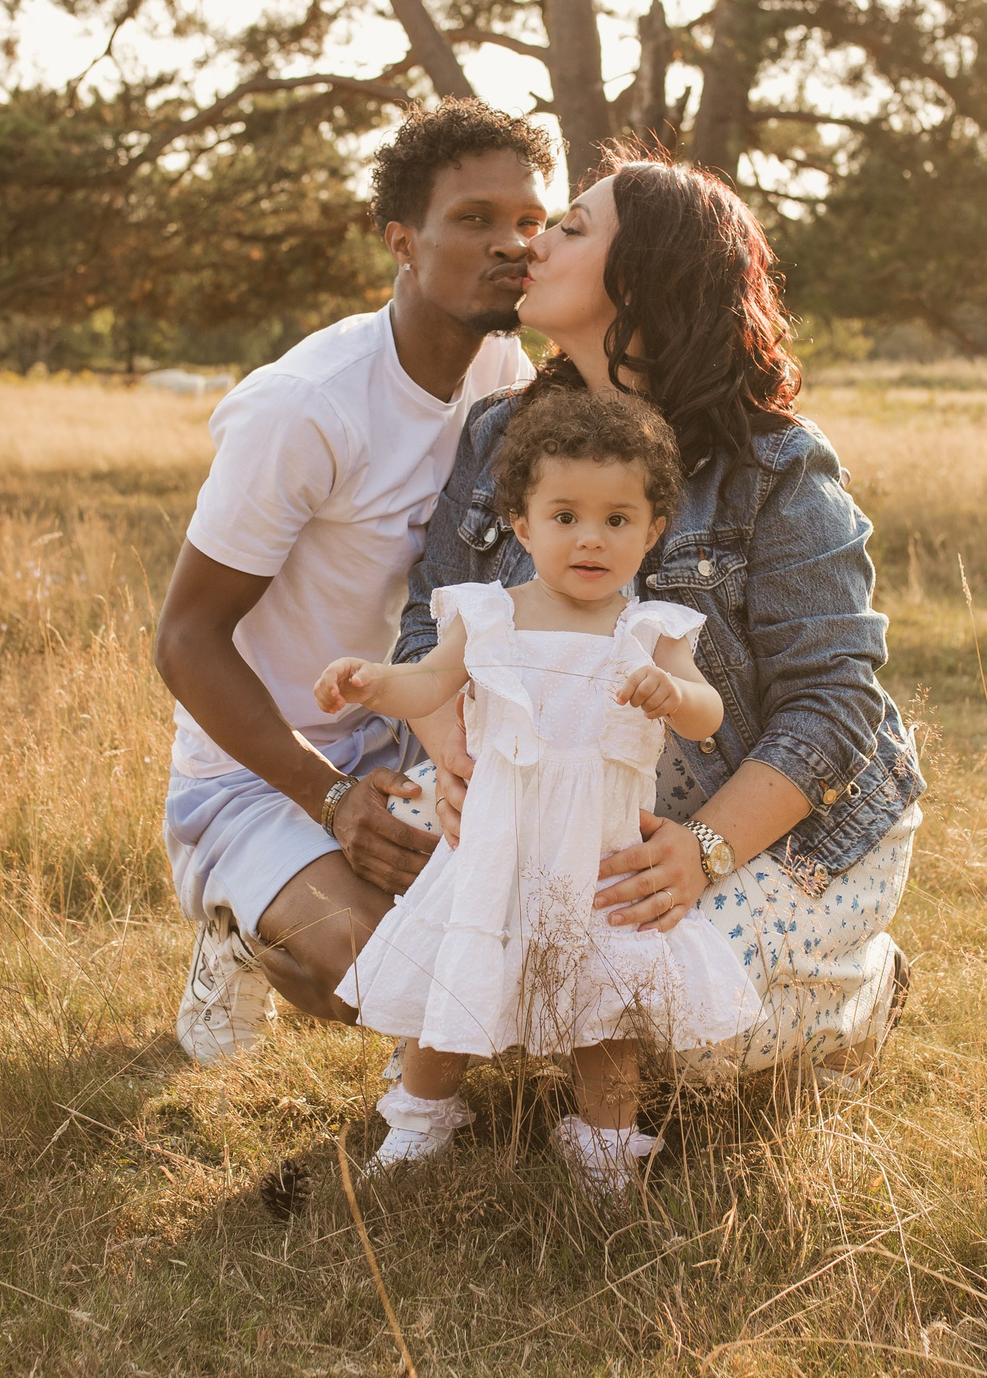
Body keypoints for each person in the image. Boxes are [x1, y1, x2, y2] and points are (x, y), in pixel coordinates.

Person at [397, 152, 925, 1089]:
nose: (533, 243)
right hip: (562, 801)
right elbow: (427, 627)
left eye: (570, 228)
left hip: (766, 821)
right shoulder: (500, 435)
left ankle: (863, 984)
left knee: (679, 1028)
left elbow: (834, 704)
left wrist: (703, 850)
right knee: (398, 924)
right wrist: (455, 762)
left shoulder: (772, 465)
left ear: (645, 277)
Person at [155, 100, 552, 1063]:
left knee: (516, 955)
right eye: (474, 219)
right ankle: (238, 929)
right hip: (265, 767)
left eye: (530, 221)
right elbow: (184, 640)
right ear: (400, 242)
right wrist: (331, 798)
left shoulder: (502, 364)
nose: (511, 244)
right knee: (385, 970)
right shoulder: (305, 408)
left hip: (416, 727)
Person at [315, 393, 763, 1195]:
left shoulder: (651, 630)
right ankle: (419, 1119)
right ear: (522, 526)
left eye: (618, 519)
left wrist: (674, 694)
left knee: (605, 1008)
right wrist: (374, 682)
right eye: (565, 516)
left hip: (598, 857)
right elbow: (429, 682)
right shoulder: (489, 615)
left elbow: (708, 711)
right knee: (453, 981)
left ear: (653, 530)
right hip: (497, 846)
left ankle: (605, 1143)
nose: (591, 537)